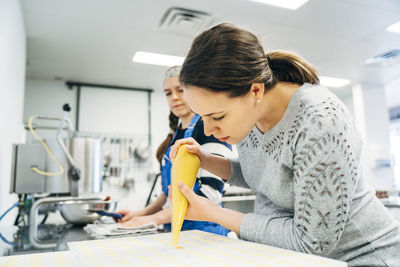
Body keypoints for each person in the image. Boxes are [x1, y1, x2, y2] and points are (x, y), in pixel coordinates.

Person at [169, 23, 400, 266]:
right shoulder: (250, 116)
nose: (208, 131)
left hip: (363, 258)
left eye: (217, 117)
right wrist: (207, 160)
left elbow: (312, 243)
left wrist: (213, 213)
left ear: (255, 90)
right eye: (201, 116)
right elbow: (270, 176)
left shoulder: (320, 122)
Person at [116, 66, 232, 236]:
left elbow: (209, 196)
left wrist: (154, 219)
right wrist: (141, 214)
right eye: (168, 93)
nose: (175, 98)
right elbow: (168, 193)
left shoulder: (208, 129)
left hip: (205, 232)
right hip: (175, 229)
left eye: (181, 90)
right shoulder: (175, 134)